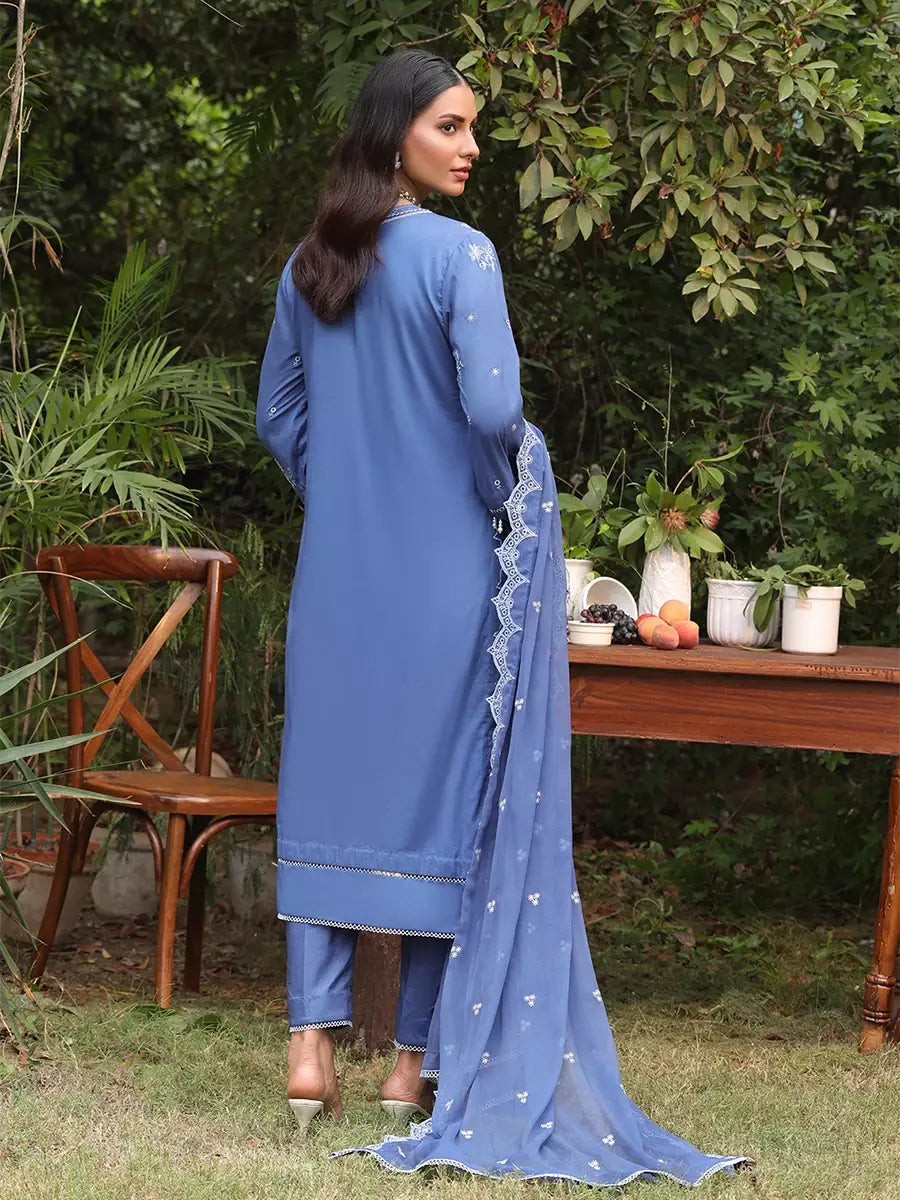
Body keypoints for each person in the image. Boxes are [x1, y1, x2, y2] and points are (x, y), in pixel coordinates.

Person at [257, 47, 749, 1188]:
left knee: (330, 789)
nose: (472, 147)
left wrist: (349, 491)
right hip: (443, 578)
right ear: (395, 136)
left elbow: (279, 414)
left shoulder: (312, 263)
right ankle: (407, 1067)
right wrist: (494, 500)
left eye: (472, 127)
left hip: (336, 578)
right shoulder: (462, 255)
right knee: (444, 808)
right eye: (451, 126)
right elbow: (494, 410)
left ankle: (308, 1051)